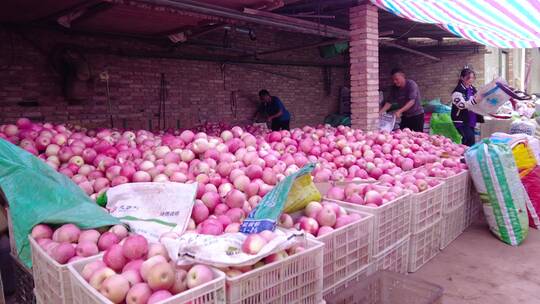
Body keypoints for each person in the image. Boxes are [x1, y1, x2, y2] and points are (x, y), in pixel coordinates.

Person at [451, 68, 484, 146]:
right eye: (468, 78)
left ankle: (467, 156)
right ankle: (464, 156)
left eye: (472, 78)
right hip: (461, 120)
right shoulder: (457, 91)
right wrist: (475, 101)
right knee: (469, 139)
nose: (471, 80)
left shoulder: (472, 89)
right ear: (462, 78)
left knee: (470, 141)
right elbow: (461, 105)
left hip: (471, 119)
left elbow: (477, 100)